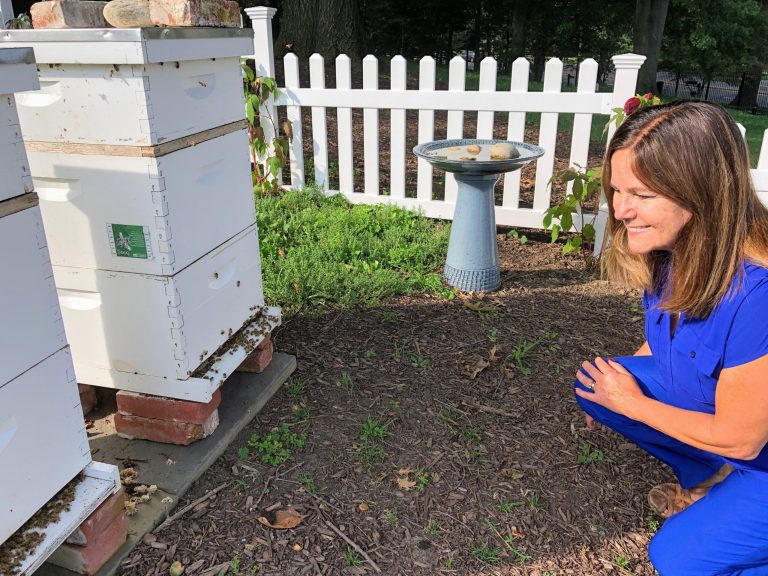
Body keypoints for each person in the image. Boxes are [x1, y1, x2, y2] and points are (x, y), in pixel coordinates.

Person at [573, 101, 768, 575]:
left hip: (756, 451)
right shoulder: (675, 249)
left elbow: (743, 440)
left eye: (640, 194)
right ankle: (715, 477)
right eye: (617, 190)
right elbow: (671, 340)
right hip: (739, 431)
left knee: (677, 559)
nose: (620, 210)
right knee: (597, 382)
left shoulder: (758, 293)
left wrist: (632, 403)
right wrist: (617, 388)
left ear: (698, 191)